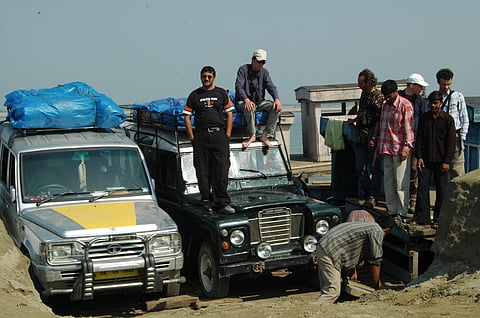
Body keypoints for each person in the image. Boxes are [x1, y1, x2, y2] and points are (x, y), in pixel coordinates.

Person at [183, 66, 235, 215]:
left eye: (209, 76)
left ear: (214, 77)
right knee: (202, 171)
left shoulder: (221, 93)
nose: (206, 79)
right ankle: (206, 200)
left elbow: (229, 114)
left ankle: (222, 202)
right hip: (201, 137)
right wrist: (193, 138)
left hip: (219, 136)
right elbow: (187, 117)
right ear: (201, 77)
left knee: (221, 170)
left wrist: (228, 134)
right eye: (204, 76)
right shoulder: (194, 95)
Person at [315, 215, 394, 304]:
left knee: (327, 289)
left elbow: (353, 248)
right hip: (330, 250)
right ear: (388, 230)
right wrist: (378, 287)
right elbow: (375, 261)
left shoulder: (366, 226)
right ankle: (311, 312)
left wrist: (352, 269)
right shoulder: (377, 230)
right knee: (332, 292)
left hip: (323, 246)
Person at [371, 80, 414, 223]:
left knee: (401, 183)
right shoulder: (384, 105)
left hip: (400, 149)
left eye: (389, 96)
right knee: (388, 181)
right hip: (386, 148)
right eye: (386, 96)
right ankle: (392, 210)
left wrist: (406, 148)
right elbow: (382, 125)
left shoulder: (405, 105)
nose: (387, 99)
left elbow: (408, 129)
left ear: (396, 92)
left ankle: (402, 212)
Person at [413, 91, 456, 229]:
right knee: (422, 189)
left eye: (436, 103)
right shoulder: (424, 118)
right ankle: (421, 217)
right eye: (431, 103)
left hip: (441, 160)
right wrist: (419, 156)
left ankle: (438, 219)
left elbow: (451, 143)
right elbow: (419, 139)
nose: (433, 106)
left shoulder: (448, 120)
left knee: (442, 190)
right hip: (425, 159)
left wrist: (447, 161)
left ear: (441, 103)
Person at [348, 69, 383, 208]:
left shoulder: (378, 97)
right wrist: (355, 119)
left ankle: (373, 196)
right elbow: (362, 111)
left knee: (373, 168)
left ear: (369, 82)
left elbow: (378, 120)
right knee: (360, 167)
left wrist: (374, 137)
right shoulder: (364, 94)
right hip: (361, 134)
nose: (359, 85)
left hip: (372, 134)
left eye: (361, 82)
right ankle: (364, 194)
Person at [234, 49, 283, 148]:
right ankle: (252, 135)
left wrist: (277, 99)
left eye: (263, 62)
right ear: (253, 59)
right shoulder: (243, 69)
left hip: (259, 102)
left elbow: (271, 86)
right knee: (249, 107)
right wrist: (246, 99)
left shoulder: (264, 73)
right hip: (243, 102)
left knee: (275, 107)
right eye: (259, 62)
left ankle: (265, 135)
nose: (261, 64)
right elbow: (238, 86)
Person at [399, 73, 430, 213]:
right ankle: (400, 201)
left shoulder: (421, 101)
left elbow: (424, 120)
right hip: (399, 142)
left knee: (414, 172)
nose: (421, 89)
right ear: (411, 85)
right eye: (419, 86)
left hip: (416, 141)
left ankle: (412, 200)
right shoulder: (398, 98)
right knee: (399, 173)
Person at [436, 68, 469, 179]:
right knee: (441, 169)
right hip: (439, 136)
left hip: (455, 135)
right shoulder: (434, 98)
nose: (446, 87)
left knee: (457, 168)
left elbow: (464, 118)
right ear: (438, 83)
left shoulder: (458, 96)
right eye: (443, 84)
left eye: (448, 84)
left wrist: (462, 138)